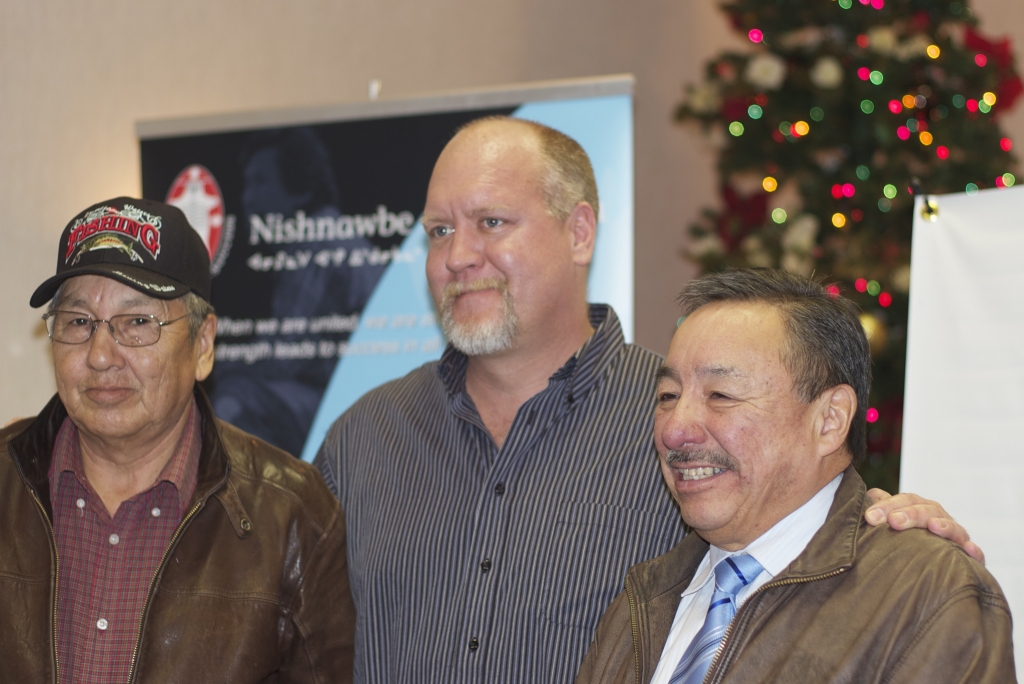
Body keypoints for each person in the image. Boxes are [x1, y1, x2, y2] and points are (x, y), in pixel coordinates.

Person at [313, 117, 982, 683]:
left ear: (580, 232)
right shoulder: (362, 439)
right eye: (438, 231)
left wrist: (884, 529)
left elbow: (808, 536)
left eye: (491, 221)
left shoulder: (692, 434)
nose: (459, 256)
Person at [576, 268, 1015, 684]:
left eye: (721, 395)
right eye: (668, 396)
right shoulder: (643, 599)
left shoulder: (925, 595)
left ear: (829, 420)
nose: (674, 429)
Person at [0, 197, 355, 682]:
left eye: (137, 323)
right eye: (79, 322)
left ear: (202, 345)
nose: (101, 355)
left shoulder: (293, 516)